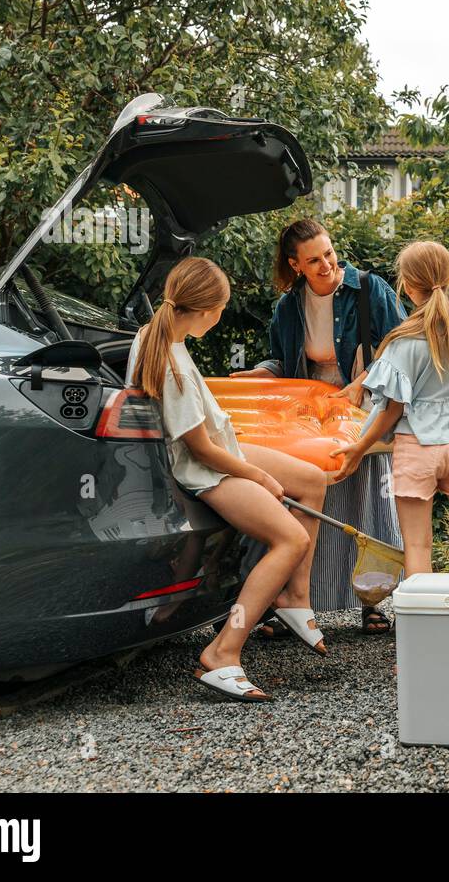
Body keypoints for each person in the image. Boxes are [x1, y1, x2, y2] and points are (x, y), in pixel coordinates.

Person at [127, 257, 330, 702]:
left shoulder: (160, 337)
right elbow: (200, 450)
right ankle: (223, 651)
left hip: (222, 453)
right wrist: (257, 476)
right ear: (206, 311)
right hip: (207, 471)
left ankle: (295, 597)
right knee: (290, 539)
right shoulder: (172, 364)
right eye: (221, 309)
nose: (220, 318)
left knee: (313, 479)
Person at [233, 218, 406, 635]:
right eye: (314, 260)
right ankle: (287, 602)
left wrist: (360, 383)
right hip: (310, 422)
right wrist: (255, 375)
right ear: (296, 266)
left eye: (328, 253)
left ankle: (373, 603)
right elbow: (281, 360)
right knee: (306, 505)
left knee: (366, 508)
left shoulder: (369, 288)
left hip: (362, 412)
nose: (326, 264)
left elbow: (401, 348)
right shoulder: (288, 306)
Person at [332, 240, 449, 576]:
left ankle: (418, 627)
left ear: (407, 284)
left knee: (418, 545)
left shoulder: (404, 340)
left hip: (418, 448)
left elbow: (393, 410)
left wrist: (358, 448)